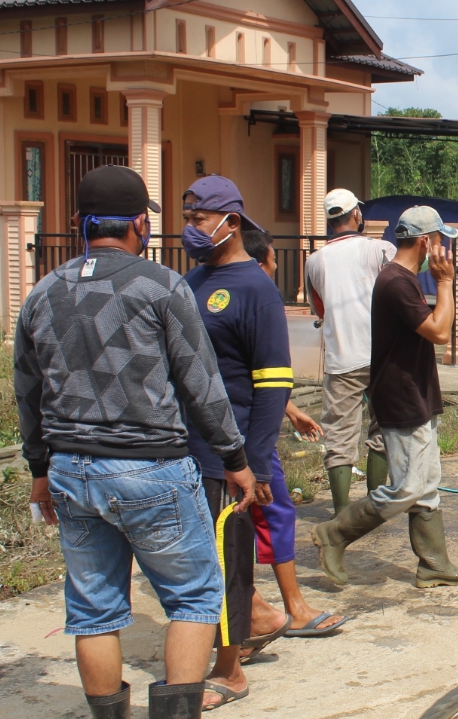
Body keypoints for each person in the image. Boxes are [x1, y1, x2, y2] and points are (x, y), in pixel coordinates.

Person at [14, 165, 257, 719]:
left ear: (78, 223)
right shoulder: (161, 285)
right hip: (151, 468)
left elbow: (27, 393)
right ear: (140, 224)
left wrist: (38, 469)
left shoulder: (43, 292)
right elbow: (202, 383)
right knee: (195, 598)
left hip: (72, 471)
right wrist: (236, 459)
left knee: (94, 612)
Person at [313, 206, 458, 588]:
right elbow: (439, 332)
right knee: (406, 488)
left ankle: (434, 564)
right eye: (440, 240)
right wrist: (445, 283)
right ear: (425, 242)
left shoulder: (399, 278)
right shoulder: (397, 282)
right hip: (402, 398)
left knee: (427, 484)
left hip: (415, 392)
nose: (442, 249)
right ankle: (336, 533)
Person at [178, 176, 297, 710]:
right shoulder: (191, 280)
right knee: (201, 559)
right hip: (186, 448)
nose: (191, 227)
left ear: (230, 221)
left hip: (232, 455)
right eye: (188, 215)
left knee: (229, 558)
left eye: (199, 217)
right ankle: (256, 620)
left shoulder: (255, 288)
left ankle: (229, 672)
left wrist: (255, 460)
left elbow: (273, 382)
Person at [240, 229, 350, 637]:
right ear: (257, 264)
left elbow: (242, 373)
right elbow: (262, 376)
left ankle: (249, 607)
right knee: (273, 509)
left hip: (222, 428)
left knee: (237, 518)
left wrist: (292, 410)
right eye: (271, 261)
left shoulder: (202, 291)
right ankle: (289, 608)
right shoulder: (258, 299)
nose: (274, 268)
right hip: (249, 432)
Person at [304, 188, 396, 514]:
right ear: (357, 214)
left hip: (341, 358)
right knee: (383, 427)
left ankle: (342, 512)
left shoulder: (314, 261)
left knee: (339, 438)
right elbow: (399, 287)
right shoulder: (380, 249)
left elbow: (319, 308)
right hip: (382, 355)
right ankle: (375, 504)